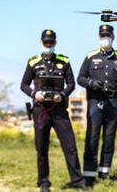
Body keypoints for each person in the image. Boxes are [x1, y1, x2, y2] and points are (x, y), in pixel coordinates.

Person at [21, 29, 86, 191]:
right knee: (41, 147)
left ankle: (78, 181)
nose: (48, 45)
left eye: (51, 42)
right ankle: (43, 182)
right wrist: (35, 94)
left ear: (55, 43)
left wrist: (63, 94)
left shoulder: (64, 61)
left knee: (70, 146)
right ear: (41, 42)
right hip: (41, 110)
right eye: (45, 42)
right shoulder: (32, 62)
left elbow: (71, 83)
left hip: (59, 109)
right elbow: (23, 84)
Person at [77, 24, 117, 186]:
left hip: (114, 103)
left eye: (108, 36)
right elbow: (80, 78)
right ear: (98, 37)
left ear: (113, 37)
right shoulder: (90, 56)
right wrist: (92, 83)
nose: (105, 39)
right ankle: (88, 175)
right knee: (92, 138)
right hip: (95, 102)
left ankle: (104, 173)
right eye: (103, 36)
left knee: (109, 138)